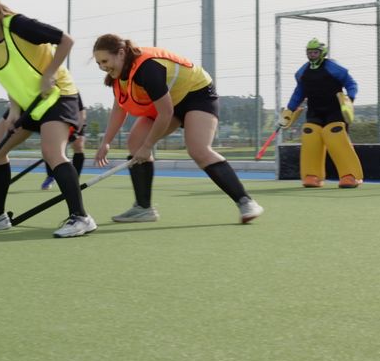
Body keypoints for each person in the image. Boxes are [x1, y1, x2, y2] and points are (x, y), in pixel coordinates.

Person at [0, 0, 97, 238]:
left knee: (51, 152)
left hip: (58, 95)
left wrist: (50, 73)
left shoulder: (18, 25)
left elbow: (66, 40)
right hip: (26, 103)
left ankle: (81, 217)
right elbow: (9, 75)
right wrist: (13, 109)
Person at [91, 34, 264, 224]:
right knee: (135, 143)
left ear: (121, 53)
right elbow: (119, 108)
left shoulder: (147, 68)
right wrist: (106, 141)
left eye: (105, 61)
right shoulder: (119, 74)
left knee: (198, 150)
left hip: (197, 94)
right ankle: (143, 208)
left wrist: (148, 146)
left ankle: (246, 202)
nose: (102, 67)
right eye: (98, 63)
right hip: (171, 101)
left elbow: (165, 113)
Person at [281, 38, 363, 188]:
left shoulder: (334, 68)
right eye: (309, 52)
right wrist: (289, 110)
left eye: (315, 52)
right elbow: (299, 92)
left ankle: (350, 176)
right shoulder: (302, 72)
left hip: (335, 111)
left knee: (336, 135)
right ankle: (312, 176)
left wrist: (349, 99)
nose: (312, 55)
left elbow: (351, 84)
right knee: (310, 136)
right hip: (314, 111)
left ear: (322, 53)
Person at [41, 102, 87, 190]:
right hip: (55, 116)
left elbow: (82, 111)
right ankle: (51, 176)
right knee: (49, 148)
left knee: (79, 145)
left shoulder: (72, 91)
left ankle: (75, 180)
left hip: (74, 117)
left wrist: (77, 131)